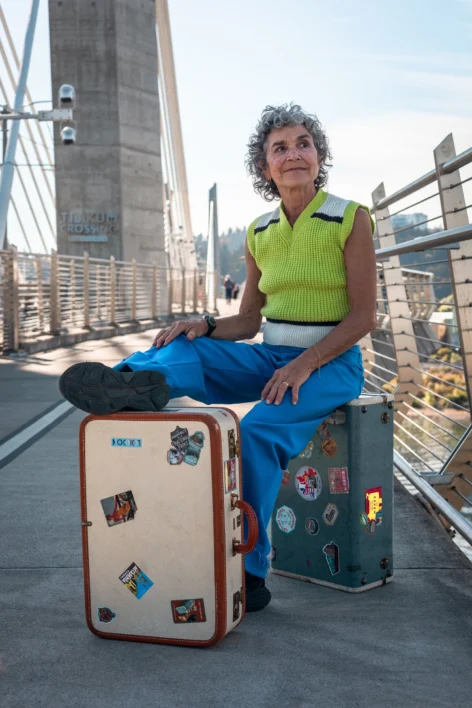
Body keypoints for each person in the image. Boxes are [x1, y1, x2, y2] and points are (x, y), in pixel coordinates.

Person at [59, 103, 377, 613]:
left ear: (319, 156)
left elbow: (364, 316)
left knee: (254, 431)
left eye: (303, 144)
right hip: (271, 350)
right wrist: (205, 325)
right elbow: (248, 321)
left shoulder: (350, 218)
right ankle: (130, 382)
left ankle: (249, 570)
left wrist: (305, 364)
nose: (294, 153)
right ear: (264, 167)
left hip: (331, 363)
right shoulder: (259, 231)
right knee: (182, 343)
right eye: (280, 148)